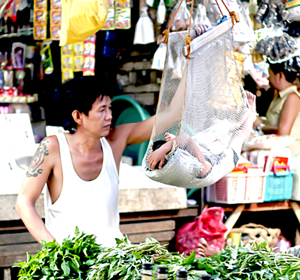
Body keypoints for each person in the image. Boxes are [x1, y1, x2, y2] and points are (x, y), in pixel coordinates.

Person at [15, 25, 209, 246]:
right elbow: (24, 202)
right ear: (78, 116)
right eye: (102, 110)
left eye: (110, 108)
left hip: (111, 263)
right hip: (69, 269)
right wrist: (55, 251)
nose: (110, 116)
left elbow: (173, 115)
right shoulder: (52, 148)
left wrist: (191, 55)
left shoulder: (115, 141)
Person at [148, 91, 256, 182]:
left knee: (210, 132)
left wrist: (167, 146)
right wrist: (165, 148)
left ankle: (174, 143)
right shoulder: (202, 169)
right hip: (224, 158)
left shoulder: (183, 163)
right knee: (240, 134)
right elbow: (185, 139)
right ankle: (250, 113)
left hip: (202, 147)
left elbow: (185, 142)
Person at [253, 60, 300, 154]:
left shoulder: (292, 97)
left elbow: (283, 133)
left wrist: (260, 127)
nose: (269, 78)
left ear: (280, 76)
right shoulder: (279, 97)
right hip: (277, 153)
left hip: (289, 156)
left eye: (270, 74)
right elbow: (274, 122)